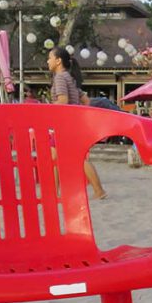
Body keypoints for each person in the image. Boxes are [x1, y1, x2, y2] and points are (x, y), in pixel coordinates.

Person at [47, 47, 107, 200]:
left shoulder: (60, 77)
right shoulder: (70, 78)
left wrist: (46, 107)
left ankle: (99, 190)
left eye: (50, 58)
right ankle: (55, 192)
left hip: (63, 125)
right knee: (59, 157)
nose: (48, 61)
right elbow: (86, 101)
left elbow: (63, 101)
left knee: (74, 159)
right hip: (71, 123)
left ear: (58, 61)